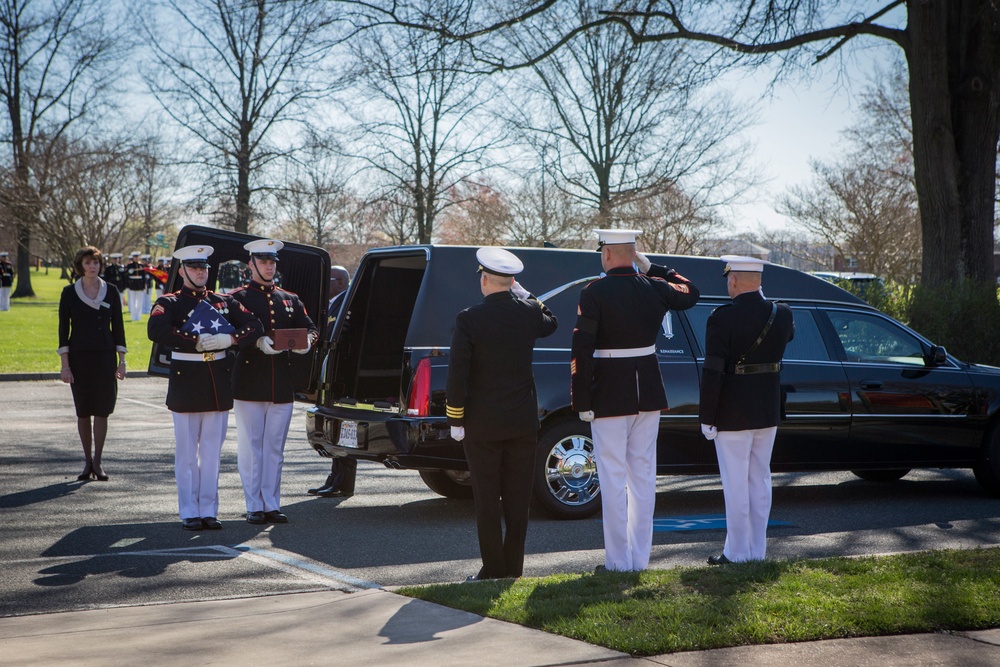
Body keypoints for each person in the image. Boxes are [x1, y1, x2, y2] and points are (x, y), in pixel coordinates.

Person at [570, 230, 700, 572]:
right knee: (643, 476)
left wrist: (582, 397)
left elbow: (582, 348)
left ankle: (618, 562)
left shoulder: (594, 292)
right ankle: (640, 559)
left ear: (608, 254)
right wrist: (656, 268)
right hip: (649, 390)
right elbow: (691, 292)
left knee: (613, 478)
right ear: (633, 254)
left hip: (610, 393)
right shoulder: (654, 286)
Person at [446, 247, 558, 580]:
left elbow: (458, 374)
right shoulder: (527, 313)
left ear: (484, 280)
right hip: (522, 423)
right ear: (511, 283)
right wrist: (527, 294)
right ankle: (514, 568)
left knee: (487, 500)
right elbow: (550, 320)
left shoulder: (469, 318)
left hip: (482, 425)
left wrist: (455, 419)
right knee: (517, 499)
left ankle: (493, 569)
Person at [147, 245, 263, 531]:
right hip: (186, 382)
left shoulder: (222, 301)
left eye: (204, 268)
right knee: (186, 454)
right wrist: (192, 341)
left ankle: (209, 510)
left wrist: (231, 340)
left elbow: (254, 325)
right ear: (184, 270)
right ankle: (189, 510)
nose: (200, 273)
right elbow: (156, 330)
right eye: (195, 268)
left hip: (217, 384)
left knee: (211, 454)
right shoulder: (170, 301)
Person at [700, 255, 795, 565]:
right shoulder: (780, 314)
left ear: (734, 280)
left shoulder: (721, 318)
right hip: (766, 410)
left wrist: (707, 416)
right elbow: (788, 333)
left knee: (736, 484)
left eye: (729, 279)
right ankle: (757, 551)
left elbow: (713, 372)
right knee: (760, 481)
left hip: (733, 413)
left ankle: (736, 552)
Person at [230, 239, 319, 525]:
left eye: (272, 262)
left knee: (274, 448)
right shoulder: (237, 298)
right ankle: (253, 504)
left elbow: (311, 328)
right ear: (251, 265)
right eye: (264, 262)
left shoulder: (289, 298)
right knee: (251, 446)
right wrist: (256, 341)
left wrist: (308, 342)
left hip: (281, 383)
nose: (269, 267)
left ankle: (271, 503)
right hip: (249, 383)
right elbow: (231, 335)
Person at [58, 246, 127, 482]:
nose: (92, 267)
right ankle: (86, 461)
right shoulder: (68, 292)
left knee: (102, 410)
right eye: (88, 263)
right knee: (83, 410)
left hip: (105, 357)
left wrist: (122, 362)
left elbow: (118, 327)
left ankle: (98, 461)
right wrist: (65, 365)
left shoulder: (112, 291)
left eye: (96, 262)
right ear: (80, 265)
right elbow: (62, 331)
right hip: (79, 358)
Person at [308, 264, 356, 498]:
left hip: (342, 374)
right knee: (335, 427)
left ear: (339, 282)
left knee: (343, 428)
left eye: (327, 280)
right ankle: (336, 479)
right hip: (331, 371)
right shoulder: (331, 302)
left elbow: (344, 334)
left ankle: (342, 481)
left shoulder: (348, 300)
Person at [125, 251, 145, 321]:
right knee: (132, 301)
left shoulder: (141, 266)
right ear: (133, 258)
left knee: (139, 302)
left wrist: (144, 286)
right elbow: (126, 276)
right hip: (132, 285)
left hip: (139, 285)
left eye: (137, 257)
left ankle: (138, 316)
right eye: (135, 257)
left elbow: (143, 276)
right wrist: (127, 285)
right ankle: (133, 316)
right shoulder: (129, 266)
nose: (136, 258)